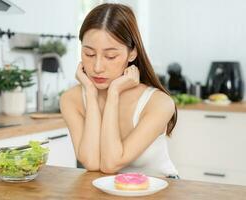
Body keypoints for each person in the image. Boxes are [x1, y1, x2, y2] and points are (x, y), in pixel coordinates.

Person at [60, 3, 179, 178]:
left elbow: (111, 164)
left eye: (110, 56)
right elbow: (91, 163)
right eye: (89, 54)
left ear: (132, 54)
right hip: (108, 191)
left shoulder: (158, 103)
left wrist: (114, 93)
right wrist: (91, 95)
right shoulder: (71, 99)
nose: (97, 67)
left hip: (159, 190)